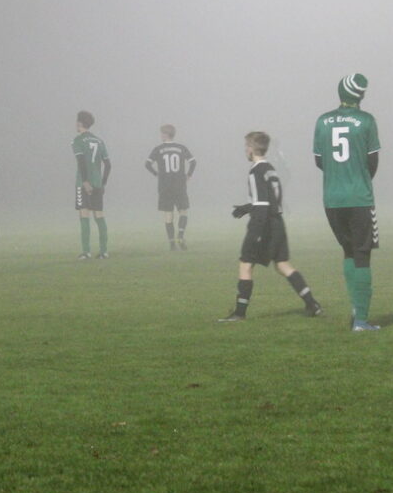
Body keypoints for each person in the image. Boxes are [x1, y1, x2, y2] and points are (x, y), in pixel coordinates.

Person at [219, 131, 321, 321]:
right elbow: (268, 200)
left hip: (262, 223)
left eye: (246, 146)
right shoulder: (271, 169)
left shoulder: (255, 171)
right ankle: (312, 303)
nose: (245, 150)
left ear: (251, 148)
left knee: (245, 264)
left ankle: (239, 313)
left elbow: (263, 204)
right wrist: (246, 207)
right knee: (283, 265)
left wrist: (256, 230)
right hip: (277, 222)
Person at [313, 74, 381, 332]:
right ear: (360, 94)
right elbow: (372, 162)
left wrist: (338, 176)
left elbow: (319, 161)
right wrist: (357, 178)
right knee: (363, 254)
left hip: (331, 198)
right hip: (359, 197)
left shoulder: (322, 121)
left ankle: (356, 307)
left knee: (349, 251)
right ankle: (361, 319)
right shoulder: (366, 121)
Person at [144, 124, 196, 250]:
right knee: (183, 211)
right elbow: (193, 162)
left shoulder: (158, 149)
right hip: (179, 184)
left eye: (162, 133)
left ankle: (172, 243)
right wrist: (188, 175)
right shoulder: (181, 148)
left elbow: (147, 164)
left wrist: (156, 174)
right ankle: (181, 234)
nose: (161, 135)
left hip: (164, 186)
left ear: (166, 134)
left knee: (168, 214)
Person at [72, 111, 111, 260]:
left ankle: (86, 252)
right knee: (99, 215)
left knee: (84, 214)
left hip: (83, 183)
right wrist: (103, 182)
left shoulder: (78, 141)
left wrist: (85, 181)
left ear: (80, 123)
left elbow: (81, 161)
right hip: (98, 183)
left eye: (77, 121)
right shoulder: (99, 141)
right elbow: (108, 164)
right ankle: (104, 251)